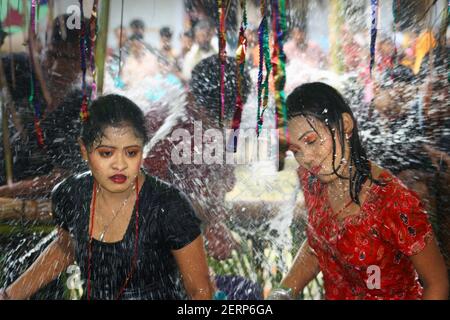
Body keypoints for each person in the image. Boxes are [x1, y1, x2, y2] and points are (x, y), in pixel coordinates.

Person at [0, 94, 213, 300]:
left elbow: (201, 291)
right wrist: (10, 295)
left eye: (131, 153)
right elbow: (65, 248)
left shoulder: (168, 206)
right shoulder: (71, 195)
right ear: (84, 150)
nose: (119, 165)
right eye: (106, 153)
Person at [275, 82, 448, 300]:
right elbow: (318, 242)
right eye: (296, 150)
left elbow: (437, 283)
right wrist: (281, 293)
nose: (307, 158)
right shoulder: (313, 182)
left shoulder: (392, 201)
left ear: (346, 125)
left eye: (311, 140)